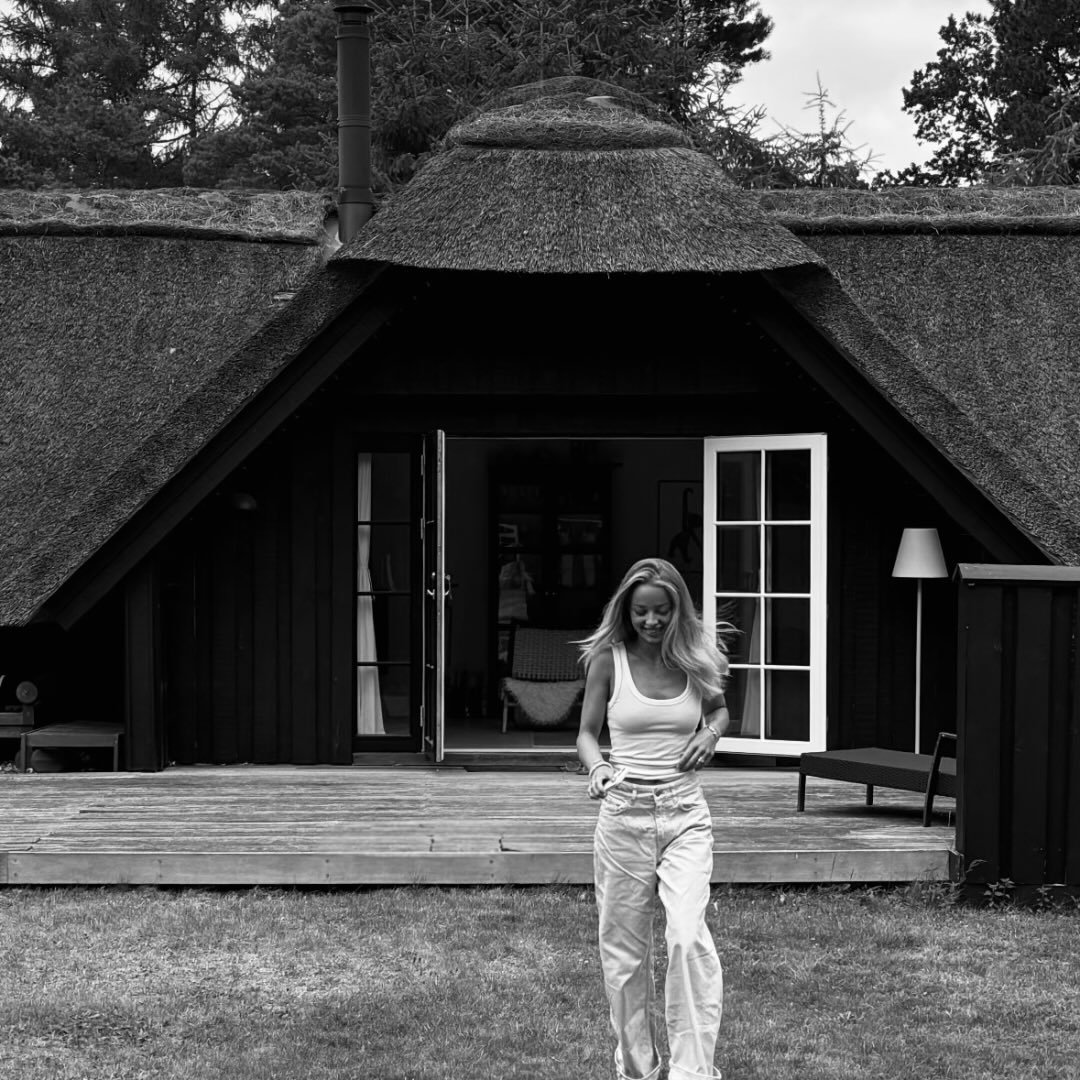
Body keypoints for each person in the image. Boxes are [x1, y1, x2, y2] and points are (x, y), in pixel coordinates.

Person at [576, 557, 729, 1080]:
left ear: (677, 609)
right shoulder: (608, 660)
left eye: (661, 610)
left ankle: (693, 1072)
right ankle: (637, 1069)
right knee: (624, 955)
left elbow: (718, 710)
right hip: (624, 813)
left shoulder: (694, 659)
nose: (651, 620)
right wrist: (597, 767)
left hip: (685, 813)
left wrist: (710, 734)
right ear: (627, 610)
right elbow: (587, 734)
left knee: (686, 935)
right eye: (641, 611)